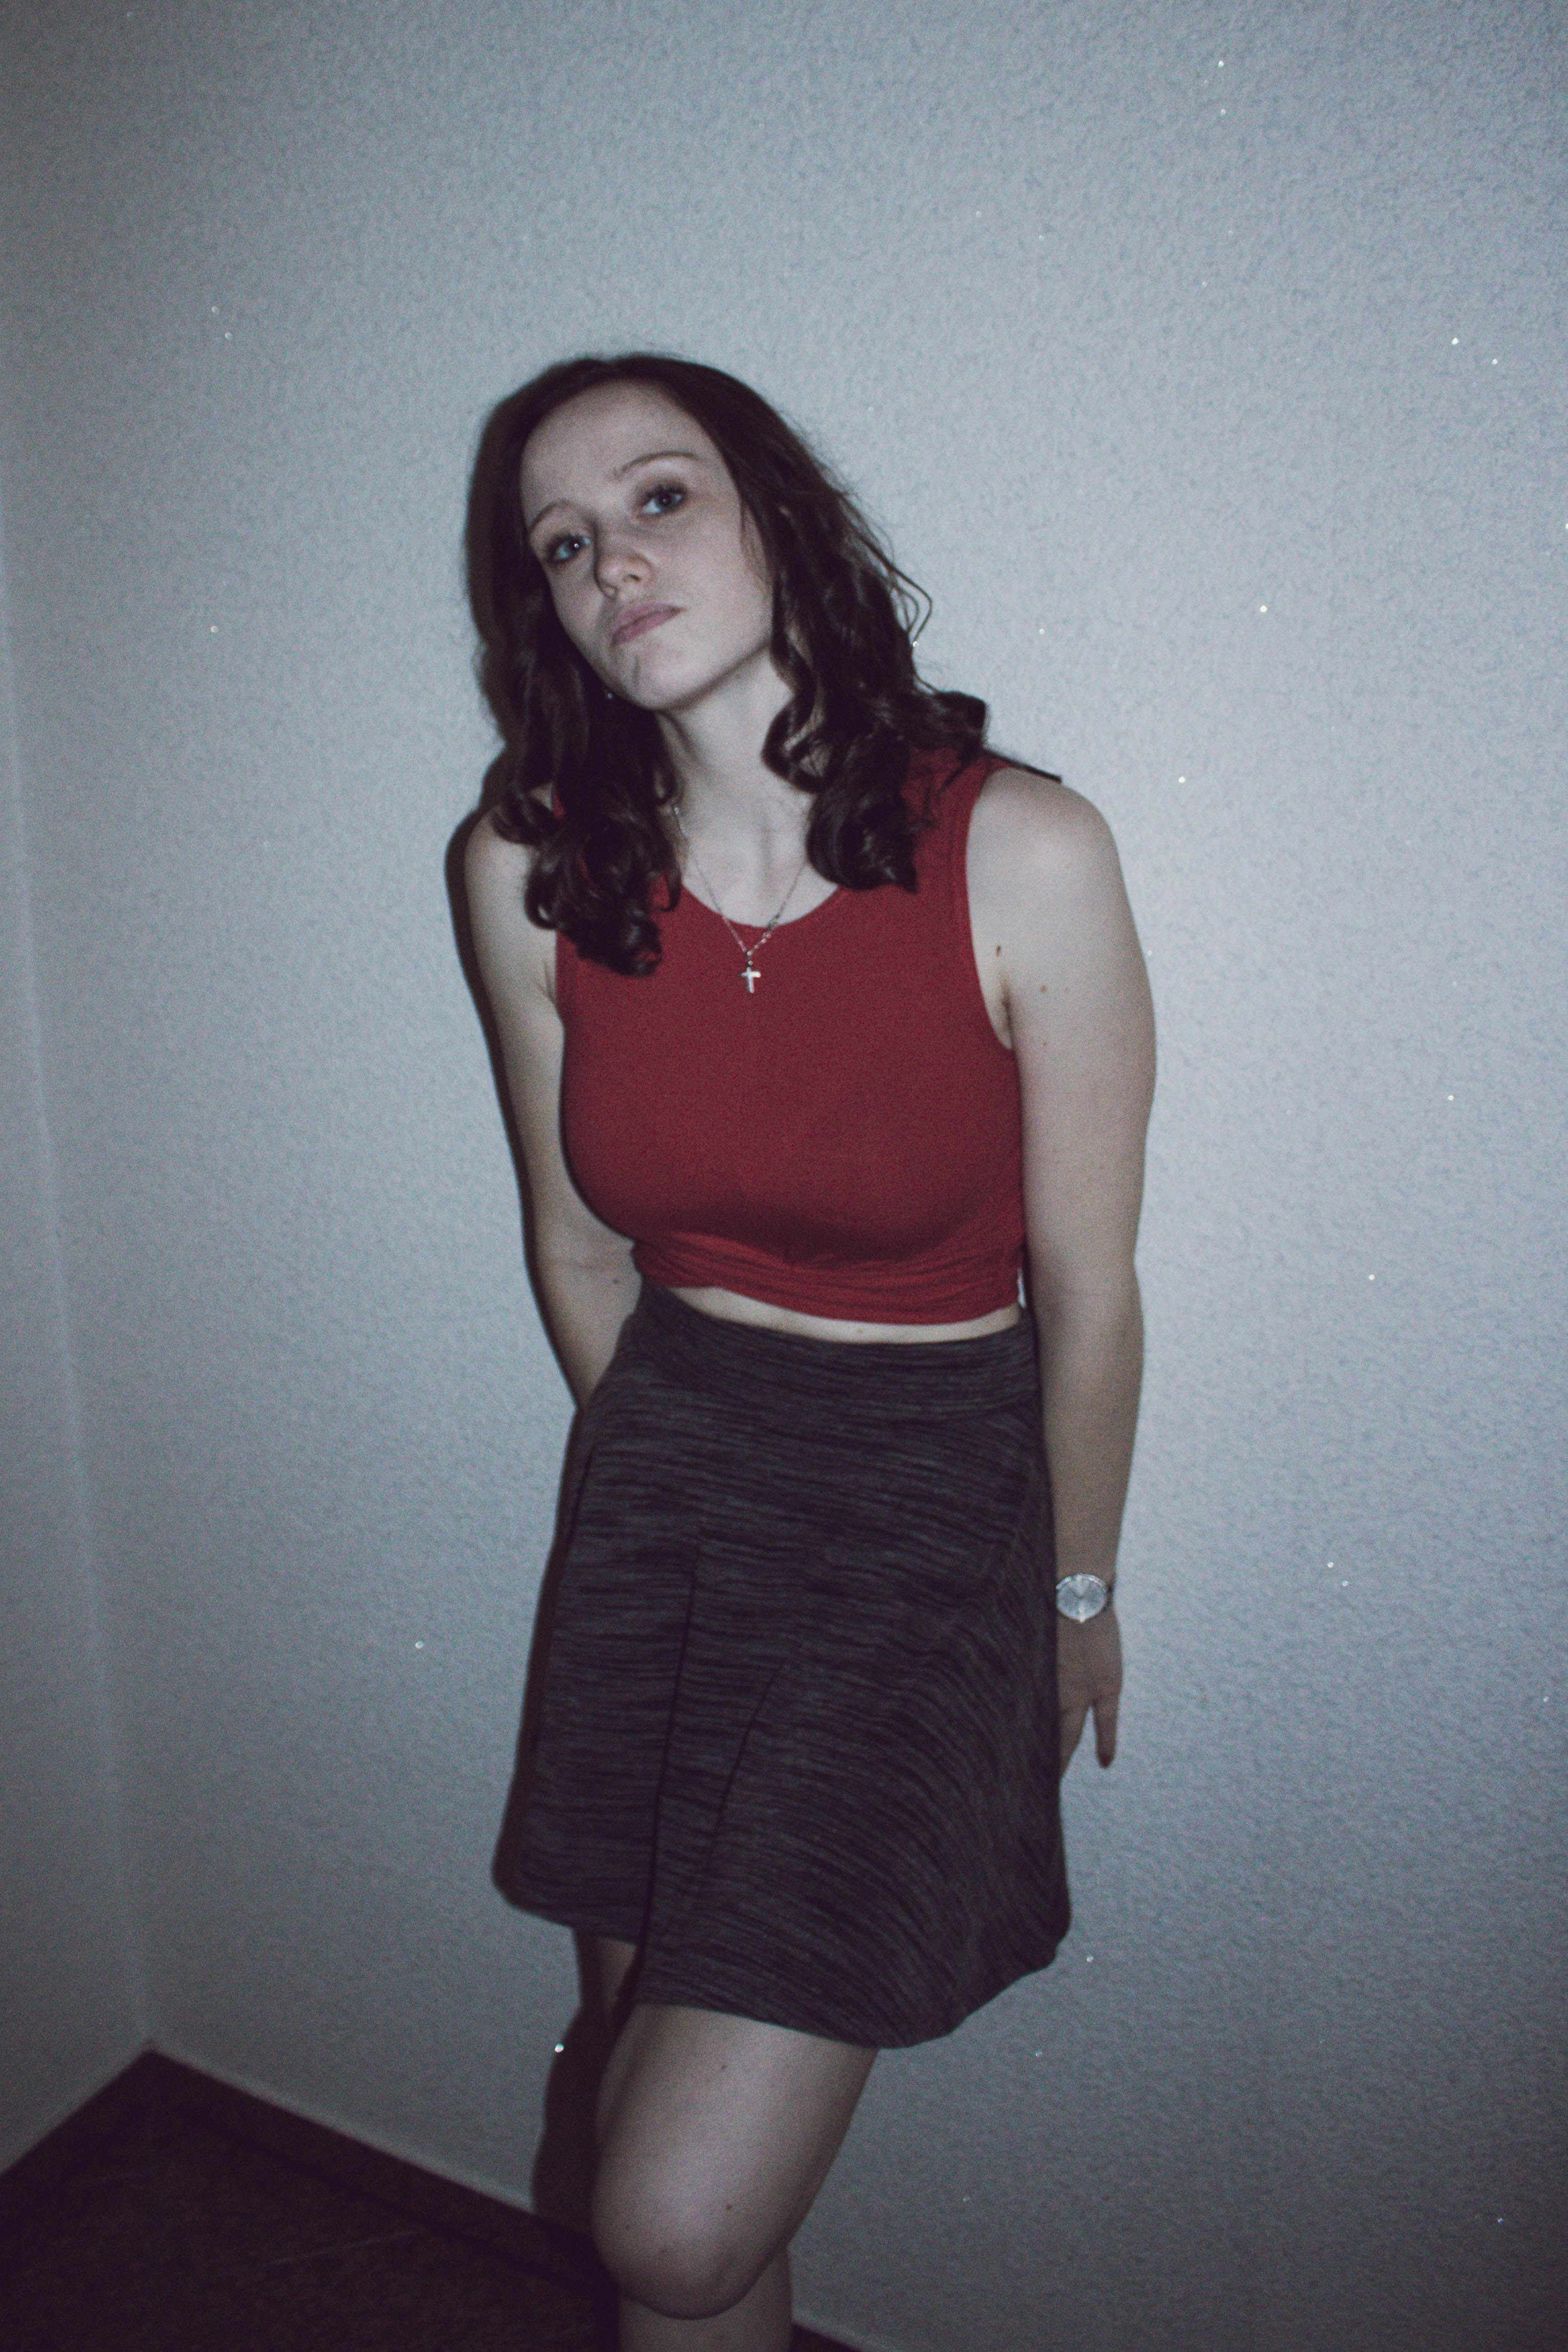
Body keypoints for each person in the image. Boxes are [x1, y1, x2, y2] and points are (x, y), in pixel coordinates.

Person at [463, 352, 1154, 2352]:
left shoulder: (1020, 851)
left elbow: (1089, 1287)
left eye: (659, 500)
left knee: (664, 2207)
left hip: (932, 1494)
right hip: (667, 1485)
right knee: (654, 2157)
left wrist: (1075, 1588)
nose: (613, 562)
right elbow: (579, 1244)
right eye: (564, 542)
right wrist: (682, 1482)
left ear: (780, 518)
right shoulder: (526, 880)